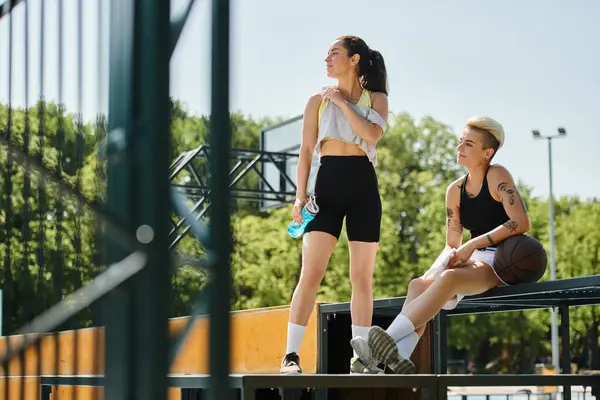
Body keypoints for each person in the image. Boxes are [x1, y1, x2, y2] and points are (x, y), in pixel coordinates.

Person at [350, 116, 532, 374]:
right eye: (460, 142)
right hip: (475, 259)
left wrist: (471, 247)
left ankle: (377, 347)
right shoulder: (454, 190)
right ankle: (397, 359)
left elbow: (521, 222)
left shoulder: (497, 175)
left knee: (448, 279)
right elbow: (451, 244)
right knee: (418, 284)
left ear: (487, 152)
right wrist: (435, 269)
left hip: (505, 261)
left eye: (469, 144)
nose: (460, 148)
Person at [280, 35, 389, 375]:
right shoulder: (316, 100)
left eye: (335, 53)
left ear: (354, 59)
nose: (327, 58)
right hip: (326, 187)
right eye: (326, 53)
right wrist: (300, 197)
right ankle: (290, 357)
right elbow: (306, 151)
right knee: (310, 274)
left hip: (363, 186)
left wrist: (344, 104)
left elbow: (371, 136)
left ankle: (362, 358)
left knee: (361, 277)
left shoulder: (377, 97)